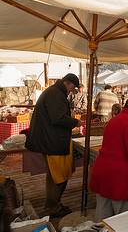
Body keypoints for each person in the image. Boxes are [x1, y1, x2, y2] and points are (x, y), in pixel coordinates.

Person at [25, 73, 82, 218]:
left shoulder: (54, 92)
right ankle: (52, 207)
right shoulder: (55, 94)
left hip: (51, 139)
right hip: (52, 141)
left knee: (54, 175)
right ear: (67, 83)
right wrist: (75, 122)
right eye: (72, 88)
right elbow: (57, 118)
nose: (71, 91)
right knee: (59, 176)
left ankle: (53, 204)